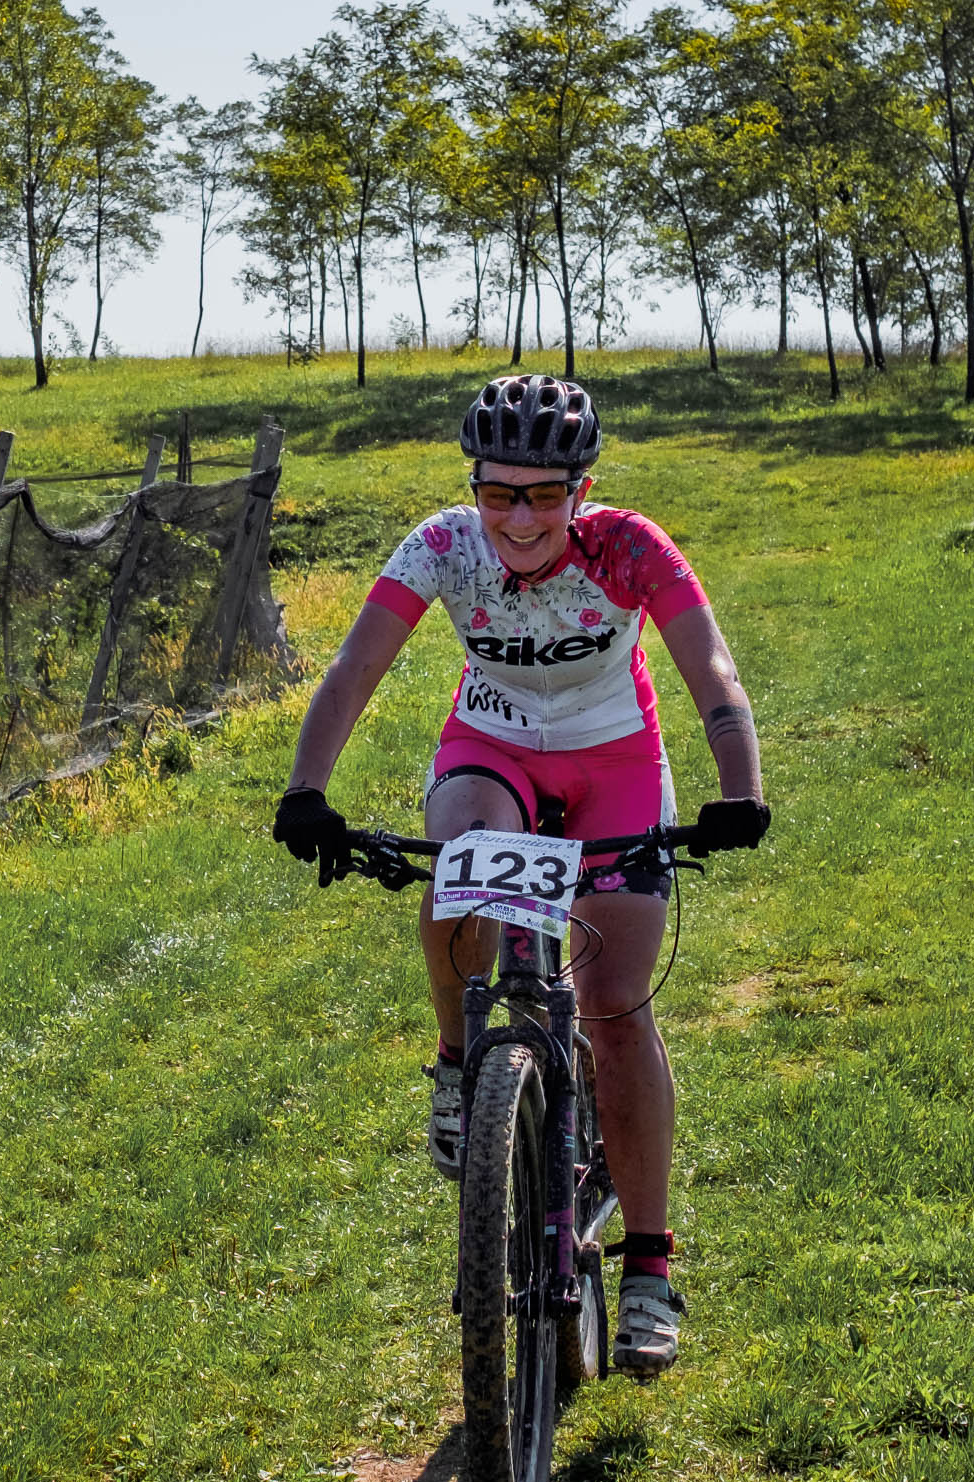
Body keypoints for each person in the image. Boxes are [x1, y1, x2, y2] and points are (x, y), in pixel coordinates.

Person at [273, 374, 767, 1379]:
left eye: (545, 494)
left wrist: (739, 787)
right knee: (461, 878)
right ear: (475, 487)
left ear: (581, 489)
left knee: (616, 1003)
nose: (521, 517)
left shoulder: (630, 546)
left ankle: (649, 1270)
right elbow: (351, 671)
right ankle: (461, 1064)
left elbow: (710, 669)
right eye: (501, 492)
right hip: (490, 746)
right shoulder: (445, 547)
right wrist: (306, 790)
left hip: (614, 758)